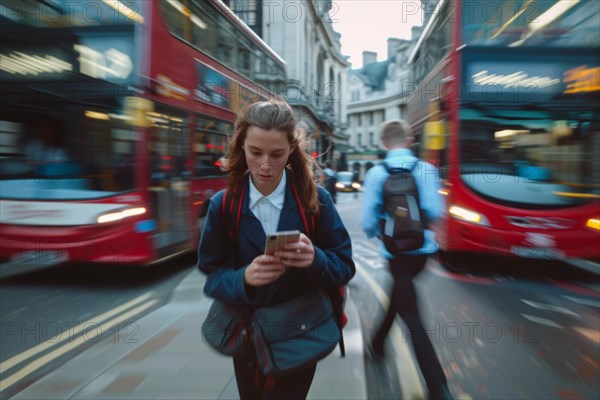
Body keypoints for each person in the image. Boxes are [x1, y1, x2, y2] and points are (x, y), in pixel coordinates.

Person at [197, 100, 355, 400]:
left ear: (291, 151)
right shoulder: (223, 205)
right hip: (248, 338)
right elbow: (212, 277)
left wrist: (316, 259)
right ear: (241, 146)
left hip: (300, 334)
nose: (266, 166)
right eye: (255, 152)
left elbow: (345, 266)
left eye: (277, 154)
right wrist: (243, 278)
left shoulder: (316, 201)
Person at [359, 119, 452, 400]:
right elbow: (435, 211)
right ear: (411, 141)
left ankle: (438, 387)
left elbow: (367, 221)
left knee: (409, 312)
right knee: (403, 297)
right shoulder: (426, 169)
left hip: (395, 254)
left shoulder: (377, 173)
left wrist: (380, 234)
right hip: (420, 253)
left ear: (385, 144)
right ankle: (377, 345)